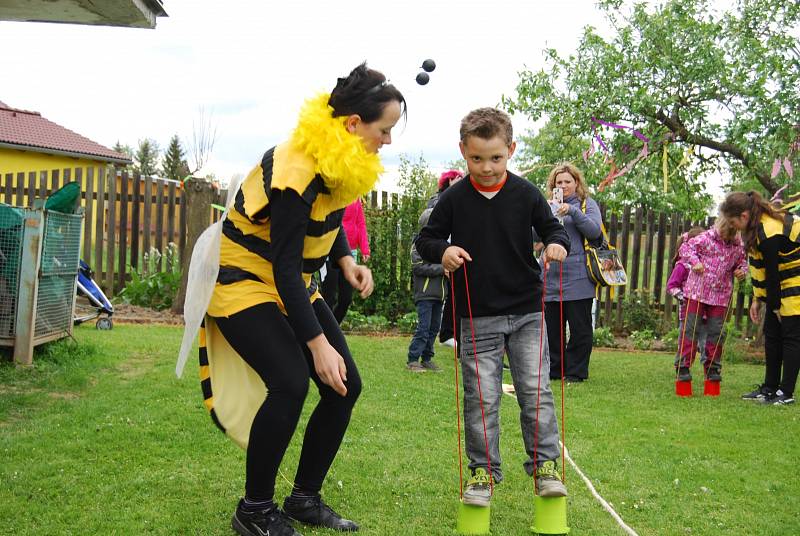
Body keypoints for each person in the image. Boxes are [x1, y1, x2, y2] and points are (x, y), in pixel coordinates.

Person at [195, 63, 405, 536]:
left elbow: (324, 219)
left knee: (344, 386)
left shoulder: (339, 157)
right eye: (384, 129)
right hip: (245, 278)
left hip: (290, 279)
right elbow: (282, 264)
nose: (388, 140)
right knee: (291, 382)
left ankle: (304, 498)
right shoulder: (296, 165)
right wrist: (316, 343)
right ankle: (253, 511)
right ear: (353, 124)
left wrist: (347, 259)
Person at [416, 107, 570, 506]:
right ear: (463, 152)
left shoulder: (526, 194)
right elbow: (427, 239)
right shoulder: (454, 198)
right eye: (477, 158)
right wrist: (445, 250)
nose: (486, 167)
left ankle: (546, 466)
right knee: (481, 397)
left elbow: (553, 227)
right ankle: (483, 472)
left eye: (496, 158)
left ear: (511, 150)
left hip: (526, 312)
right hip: (476, 313)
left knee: (535, 390)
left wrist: (557, 243)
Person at [721, 191, 800, 405]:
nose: (733, 226)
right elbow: (760, 268)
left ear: (744, 216)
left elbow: (773, 274)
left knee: (791, 336)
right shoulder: (755, 230)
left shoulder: (769, 232)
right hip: (781, 280)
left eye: (733, 221)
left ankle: (786, 392)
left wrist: (774, 306)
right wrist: (758, 299)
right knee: (772, 335)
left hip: (795, 280)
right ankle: (769, 388)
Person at [539, 163, 603, 383]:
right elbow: (534, 236)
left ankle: (576, 372)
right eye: (559, 182)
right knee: (552, 329)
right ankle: (555, 370)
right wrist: (542, 215)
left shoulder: (587, 205)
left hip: (579, 277)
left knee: (580, 328)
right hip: (551, 276)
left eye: (568, 181)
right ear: (553, 185)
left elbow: (595, 232)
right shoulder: (546, 206)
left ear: (577, 183)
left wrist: (572, 211)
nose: (564, 186)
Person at [674, 218, 747, 382]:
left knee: (716, 332)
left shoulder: (737, 246)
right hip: (696, 293)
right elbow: (685, 249)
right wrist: (695, 262)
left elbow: (742, 262)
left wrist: (742, 270)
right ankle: (683, 367)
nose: (726, 240)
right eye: (725, 235)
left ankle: (713, 368)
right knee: (690, 329)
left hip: (720, 296)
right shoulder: (705, 238)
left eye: (731, 236)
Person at [406, 208, 446, 372]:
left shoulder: (441, 245)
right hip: (425, 293)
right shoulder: (418, 245)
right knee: (423, 328)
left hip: (439, 294)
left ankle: (427, 358)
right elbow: (418, 268)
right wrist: (442, 269)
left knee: (434, 328)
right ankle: (413, 359)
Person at [429, 169, 465, 348]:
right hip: (444, 252)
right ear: (448, 181)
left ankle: (451, 333)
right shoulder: (441, 199)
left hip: (458, 251)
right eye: (455, 179)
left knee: (453, 294)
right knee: (451, 295)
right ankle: (447, 333)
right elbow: (431, 228)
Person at [321, 198, 371, 323]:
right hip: (329, 250)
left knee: (346, 298)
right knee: (329, 298)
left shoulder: (356, 198)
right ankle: (325, 332)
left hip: (350, 252)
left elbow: (360, 223)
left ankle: (332, 329)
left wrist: (365, 248)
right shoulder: (334, 194)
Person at [666, 227, 707, 373]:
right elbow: (671, 287)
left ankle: (709, 371)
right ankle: (682, 368)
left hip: (706, 315)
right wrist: (685, 298)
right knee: (686, 342)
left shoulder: (707, 266)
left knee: (706, 344)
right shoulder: (682, 266)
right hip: (688, 314)